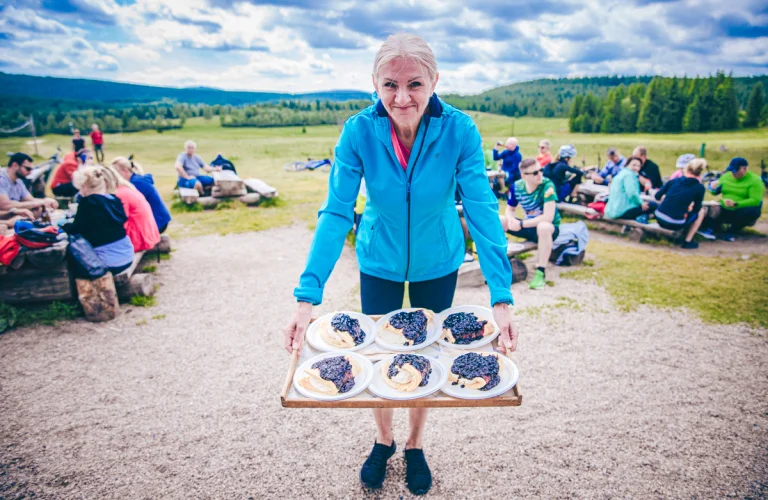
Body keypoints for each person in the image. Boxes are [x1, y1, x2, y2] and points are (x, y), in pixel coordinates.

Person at [283, 33, 517, 496]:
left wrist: (502, 296)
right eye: (389, 84)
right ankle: (383, 438)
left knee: (426, 352)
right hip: (379, 260)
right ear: (374, 81)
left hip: (438, 260)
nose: (402, 97)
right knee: (381, 351)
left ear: (435, 81)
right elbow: (335, 213)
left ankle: (414, 444)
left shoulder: (460, 130)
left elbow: (482, 209)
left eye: (415, 84)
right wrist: (306, 297)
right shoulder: (358, 131)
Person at [61, 166, 134, 275]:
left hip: (109, 262)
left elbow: (77, 230)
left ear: (84, 187)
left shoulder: (88, 203)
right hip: (127, 255)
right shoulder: (114, 199)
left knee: (71, 256)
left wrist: (64, 225)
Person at [501, 158, 561, 289]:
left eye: (541, 170)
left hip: (549, 228)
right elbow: (509, 209)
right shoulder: (516, 187)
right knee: (500, 220)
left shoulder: (547, 186)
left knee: (543, 227)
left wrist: (521, 224)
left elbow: (548, 217)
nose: (540, 174)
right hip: (529, 225)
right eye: (535, 173)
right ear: (524, 176)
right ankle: (498, 262)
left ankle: (541, 271)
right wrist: (510, 219)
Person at [105, 164, 161, 252]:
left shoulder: (120, 194)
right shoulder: (126, 188)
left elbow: (121, 222)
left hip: (140, 240)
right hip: (148, 235)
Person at [654, 159, 708, 249]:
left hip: (659, 217)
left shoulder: (674, 181)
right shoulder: (699, 187)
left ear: (686, 169)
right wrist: (689, 208)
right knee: (701, 211)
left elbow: (657, 196)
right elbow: (697, 208)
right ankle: (687, 241)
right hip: (675, 223)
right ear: (700, 173)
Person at [708, 157, 765, 241]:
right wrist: (712, 188)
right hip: (725, 207)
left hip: (741, 209)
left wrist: (736, 204)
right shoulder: (726, 176)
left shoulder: (755, 180)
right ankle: (714, 229)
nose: (733, 174)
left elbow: (755, 200)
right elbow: (715, 192)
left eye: (735, 171)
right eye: (731, 171)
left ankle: (732, 230)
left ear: (744, 169)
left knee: (751, 211)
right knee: (711, 207)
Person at [112, 157, 172, 234]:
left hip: (157, 222)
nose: (114, 176)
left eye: (115, 173)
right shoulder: (136, 180)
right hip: (160, 219)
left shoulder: (136, 184)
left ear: (125, 171)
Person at [604, 156, 657, 222]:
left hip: (612, 210)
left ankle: (641, 217)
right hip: (623, 211)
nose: (636, 168)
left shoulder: (621, 174)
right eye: (634, 165)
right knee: (653, 205)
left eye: (638, 166)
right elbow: (632, 193)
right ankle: (643, 217)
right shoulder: (629, 175)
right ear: (627, 164)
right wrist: (641, 203)